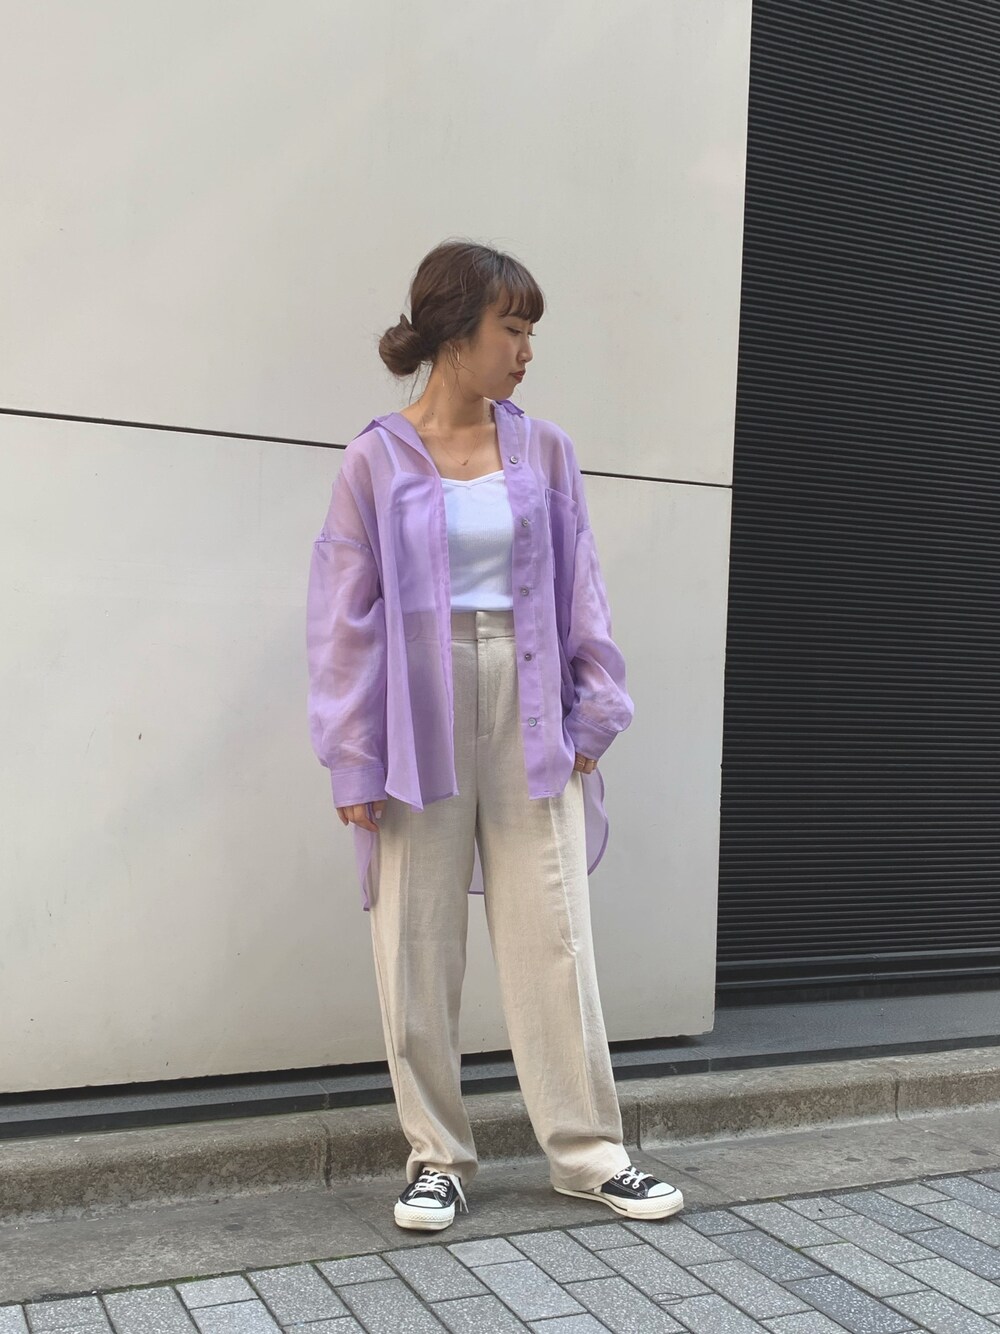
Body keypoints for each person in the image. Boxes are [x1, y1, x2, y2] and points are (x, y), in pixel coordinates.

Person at [306, 239, 683, 1232]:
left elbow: (580, 580)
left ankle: (589, 1151)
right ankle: (436, 1157)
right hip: (414, 710)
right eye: (511, 329)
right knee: (415, 941)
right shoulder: (372, 459)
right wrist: (354, 755)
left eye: (529, 331)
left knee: (551, 931)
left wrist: (595, 707)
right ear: (453, 333)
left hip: (531, 694)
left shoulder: (544, 450)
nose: (526, 350)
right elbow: (343, 619)